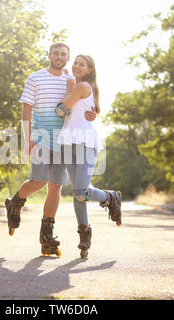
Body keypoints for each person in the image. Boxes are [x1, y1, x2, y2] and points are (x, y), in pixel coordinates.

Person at [5, 43, 97, 257]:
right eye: (56, 53)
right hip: (41, 138)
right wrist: (27, 139)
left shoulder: (71, 81)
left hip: (63, 141)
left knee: (55, 188)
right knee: (39, 181)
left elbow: (82, 105)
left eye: (64, 54)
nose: (59, 56)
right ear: (49, 55)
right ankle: (15, 203)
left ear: (67, 58)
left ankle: (46, 237)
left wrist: (93, 114)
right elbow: (26, 109)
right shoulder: (35, 78)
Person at [55, 54, 122, 258]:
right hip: (68, 141)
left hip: (84, 142)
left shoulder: (82, 86)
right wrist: (69, 88)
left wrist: (68, 88)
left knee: (81, 192)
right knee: (78, 192)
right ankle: (84, 234)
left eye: (81, 64)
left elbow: (60, 110)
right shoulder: (79, 86)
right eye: (75, 62)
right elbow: (71, 108)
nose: (76, 65)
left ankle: (110, 197)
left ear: (89, 70)